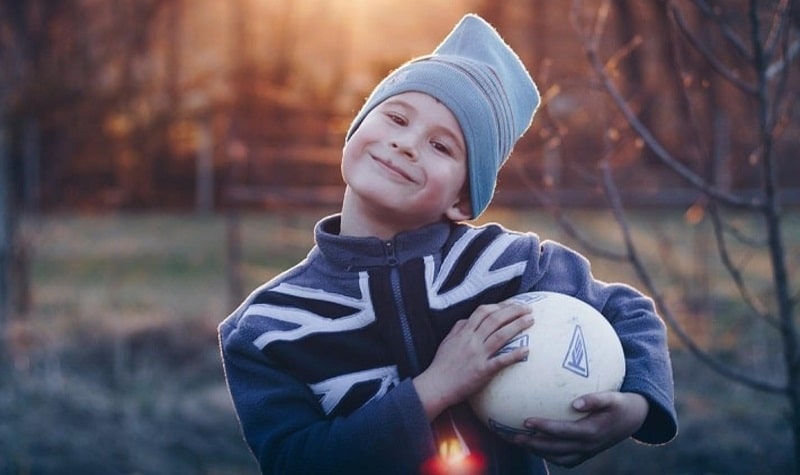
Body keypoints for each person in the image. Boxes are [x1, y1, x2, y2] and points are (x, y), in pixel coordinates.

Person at [219, 13, 677, 474]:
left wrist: (635, 407)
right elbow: (296, 462)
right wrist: (435, 388)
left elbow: (629, 312)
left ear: (462, 199)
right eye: (396, 117)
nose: (407, 144)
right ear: (354, 131)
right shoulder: (267, 329)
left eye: (442, 146)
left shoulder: (507, 266)